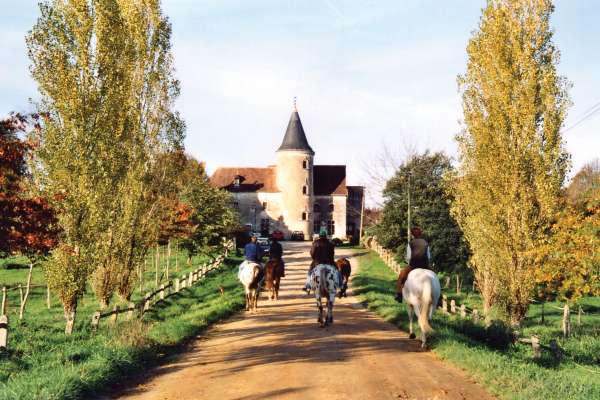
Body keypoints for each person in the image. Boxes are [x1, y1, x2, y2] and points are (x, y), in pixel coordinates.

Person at [395, 226, 431, 302]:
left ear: (412, 235)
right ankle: (439, 297)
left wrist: (408, 262)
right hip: (425, 265)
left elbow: (408, 257)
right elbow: (428, 256)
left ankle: (399, 294)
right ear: (420, 234)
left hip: (413, 265)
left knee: (401, 277)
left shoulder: (410, 243)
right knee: (435, 276)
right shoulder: (426, 243)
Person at [303, 227, 341, 292]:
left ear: (319, 235)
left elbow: (312, 253)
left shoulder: (315, 243)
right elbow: (332, 254)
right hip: (328, 263)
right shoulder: (330, 243)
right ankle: (340, 285)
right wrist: (331, 261)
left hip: (317, 263)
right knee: (337, 270)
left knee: (310, 272)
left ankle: (308, 286)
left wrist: (314, 259)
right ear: (326, 235)